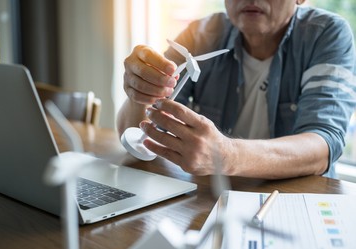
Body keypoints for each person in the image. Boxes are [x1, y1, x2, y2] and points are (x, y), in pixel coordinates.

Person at [117, 0, 356, 179]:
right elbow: (132, 133)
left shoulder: (326, 34)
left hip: (293, 204)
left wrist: (227, 155)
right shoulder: (200, 35)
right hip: (209, 201)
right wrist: (140, 91)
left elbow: (323, 144)